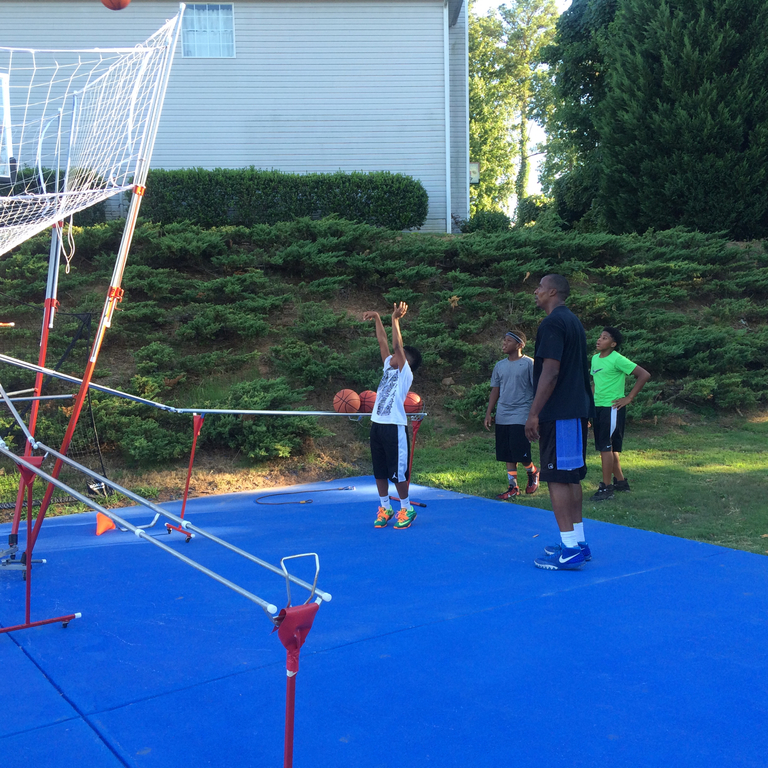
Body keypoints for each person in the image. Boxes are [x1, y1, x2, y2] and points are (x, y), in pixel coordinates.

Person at [524, 274, 593, 570]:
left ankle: (570, 549)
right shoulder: (573, 321)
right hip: (575, 409)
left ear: (552, 291)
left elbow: (550, 373)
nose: (536, 291)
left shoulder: (552, 323)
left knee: (557, 477)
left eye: (540, 287)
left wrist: (534, 413)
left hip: (560, 411)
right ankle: (577, 542)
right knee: (570, 476)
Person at [363, 302, 422, 530]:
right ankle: (385, 507)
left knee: (397, 474)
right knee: (379, 472)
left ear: (407, 362)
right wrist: (378, 317)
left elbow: (397, 345)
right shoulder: (388, 366)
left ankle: (406, 508)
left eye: (401, 355)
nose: (395, 355)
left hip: (394, 427)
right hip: (377, 425)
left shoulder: (405, 373)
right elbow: (383, 342)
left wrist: (395, 319)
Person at [590, 326, 651, 501]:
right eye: (600, 337)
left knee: (605, 447)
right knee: (609, 447)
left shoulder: (617, 359)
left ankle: (606, 487)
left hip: (612, 408)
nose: (599, 340)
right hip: (598, 407)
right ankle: (621, 482)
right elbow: (595, 383)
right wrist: (589, 406)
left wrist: (629, 398)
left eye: (605, 338)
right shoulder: (595, 359)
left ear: (613, 344)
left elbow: (644, 375)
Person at [484, 330, 539, 499]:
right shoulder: (500, 365)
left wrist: (536, 414)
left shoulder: (529, 364)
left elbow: (538, 389)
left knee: (519, 450)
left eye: (508, 341)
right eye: (504, 340)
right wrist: (489, 413)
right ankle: (513, 487)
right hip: (503, 413)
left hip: (522, 413)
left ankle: (533, 471)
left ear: (519, 345)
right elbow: (495, 390)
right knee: (507, 452)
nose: (504, 343)